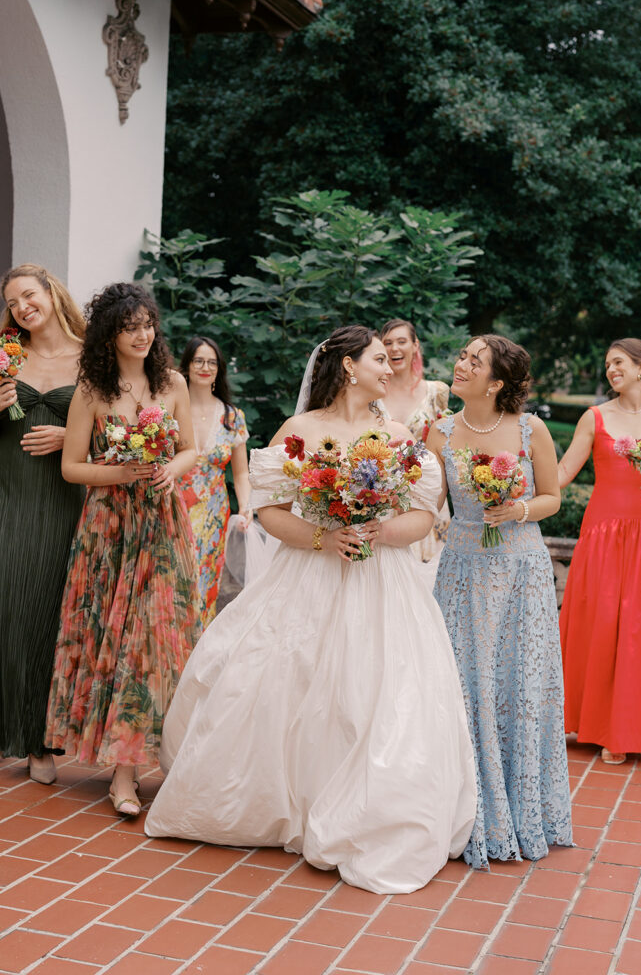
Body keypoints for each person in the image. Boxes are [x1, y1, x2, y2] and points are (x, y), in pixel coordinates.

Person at [146, 325, 477, 894]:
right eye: (379, 358)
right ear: (349, 366)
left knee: (375, 691)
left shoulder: (399, 436)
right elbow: (271, 508)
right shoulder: (300, 431)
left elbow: (424, 514)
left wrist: (380, 528)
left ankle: (367, 807)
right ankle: (279, 803)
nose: (390, 367)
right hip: (311, 570)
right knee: (287, 679)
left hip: (382, 578)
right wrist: (324, 539)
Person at [44, 283, 201, 816]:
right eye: (129, 326)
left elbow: (191, 451)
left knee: (157, 636)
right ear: (109, 333)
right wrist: (120, 472)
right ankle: (124, 775)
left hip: (161, 523)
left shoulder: (173, 383)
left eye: (148, 324)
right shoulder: (91, 389)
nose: (141, 334)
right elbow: (71, 468)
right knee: (117, 636)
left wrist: (167, 472)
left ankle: (175, 756)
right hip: (108, 529)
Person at [427, 334, 573, 869]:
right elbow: (428, 503)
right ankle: (466, 810)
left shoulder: (531, 430)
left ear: (497, 382)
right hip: (461, 572)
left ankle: (520, 808)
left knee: (517, 682)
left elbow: (552, 497)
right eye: (462, 356)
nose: (460, 364)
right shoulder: (439, 431)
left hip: (521, 573)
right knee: (463, 683)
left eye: (473, 360)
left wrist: (519, 512)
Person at [558, 338, 641, 764]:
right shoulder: (594, 417)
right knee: (601, 623)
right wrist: (516, 487)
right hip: (602, 537)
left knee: (639, 631)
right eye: (608, 364)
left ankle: (622, 732)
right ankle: (589, 722)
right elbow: (565, 471)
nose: (611, 370)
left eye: (619, 362)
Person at [0, 264, 85, 785]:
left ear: (50, 293)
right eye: (14, 302)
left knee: (50, 607)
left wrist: (67, 434)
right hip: (6, 490)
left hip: (61, 496)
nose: (24, 307)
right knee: (6, 604)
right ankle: (11, 729)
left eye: (30, 295)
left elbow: (113, 424)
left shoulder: (92, 355)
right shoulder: (3, 356)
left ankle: (40, 741)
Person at [178, 336, 251, 624]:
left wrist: (245, 506)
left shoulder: (232, 417)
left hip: (212, 513)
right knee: (174, 577)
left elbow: (241, 472)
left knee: (204, 581)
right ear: (187, 365)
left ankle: (197, 650)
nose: (205, 367)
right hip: (173, 506)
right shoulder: (170, 408)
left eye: (212, 362)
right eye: (199, 360)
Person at [380, 318, 451, 566]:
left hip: (426, 494)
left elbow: (444, 447)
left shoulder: (437, 392)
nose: (394, 349)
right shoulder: (371, 394)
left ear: (415, 345)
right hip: (382, 496)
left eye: (402, 341)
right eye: (387, 343)